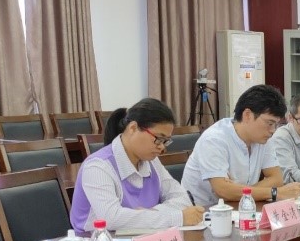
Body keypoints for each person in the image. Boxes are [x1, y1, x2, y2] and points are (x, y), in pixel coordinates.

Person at [71, 99, 202, 232]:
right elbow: (111, 219)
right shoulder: (98, 166)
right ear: (133, 128)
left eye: (166, 141)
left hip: (142, 237)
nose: (162, 147)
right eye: (158, 139)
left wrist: (150, 213)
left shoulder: (152, 161)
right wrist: (176, 217)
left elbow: (182, 199)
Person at [182, 84, 300, 207]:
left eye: (276, 124)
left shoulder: (264, 138)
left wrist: (238, 192)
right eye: (270, 123)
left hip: (239, 207)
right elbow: (223, 190)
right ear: (247, 115)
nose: (273, 130)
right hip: (202, 212)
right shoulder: (214, 139)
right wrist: (274, 192)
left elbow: (277, 178)